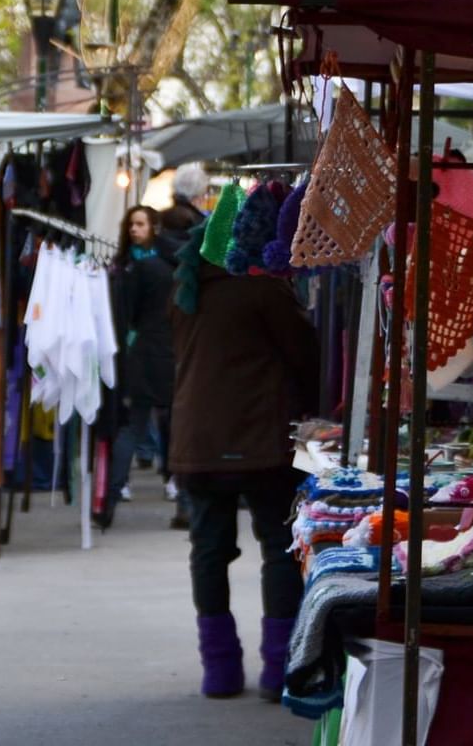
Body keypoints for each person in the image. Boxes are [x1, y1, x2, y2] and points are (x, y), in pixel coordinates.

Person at [171, 210, 318, 702]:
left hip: (198, 441)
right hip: (263, 440)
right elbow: (305, 355)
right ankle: (278, 670)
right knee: (279, 547)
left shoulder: (187, 290)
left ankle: (219, 671)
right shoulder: (265, 289)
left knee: (208, 551)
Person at [108, 205, 177, 512]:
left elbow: (126, 314)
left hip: (144, 351)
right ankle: (175, 486)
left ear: (153, 227)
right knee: (165, 422)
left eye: (140, 224)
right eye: (131, 225)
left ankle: (113, 488)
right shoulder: (160, 266)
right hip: (163, 353)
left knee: (136, 423)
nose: (134, 230)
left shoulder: (133, 269)